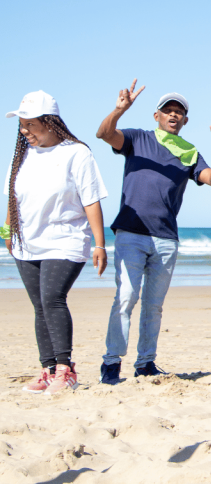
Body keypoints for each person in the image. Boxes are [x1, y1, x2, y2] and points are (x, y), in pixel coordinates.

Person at [97, 79, 211, 384]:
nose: (173, 115)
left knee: (153, 307)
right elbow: (104, 134)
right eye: (167, 110)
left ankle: (145, 363)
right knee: (126, 297)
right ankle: (112, 362)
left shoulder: (189, 152)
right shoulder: (138, 138)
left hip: (166, 239)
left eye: (178, 112)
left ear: (185, 120)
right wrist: (119, 111)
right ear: (156, 116)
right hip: (131, 232)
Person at [4, 91, 108, 394]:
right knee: (40, 306)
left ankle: (66, 370)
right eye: (22, 125)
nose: (25, 131)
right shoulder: (22, 155)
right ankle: (48, 370)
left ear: (50, 122)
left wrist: (100, 244)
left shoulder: (77, 153)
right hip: (26, 243)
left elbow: (91, 200)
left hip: (65, 240)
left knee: (52, 298)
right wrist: (6, 232)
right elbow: (12, 197)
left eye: (30, 124)